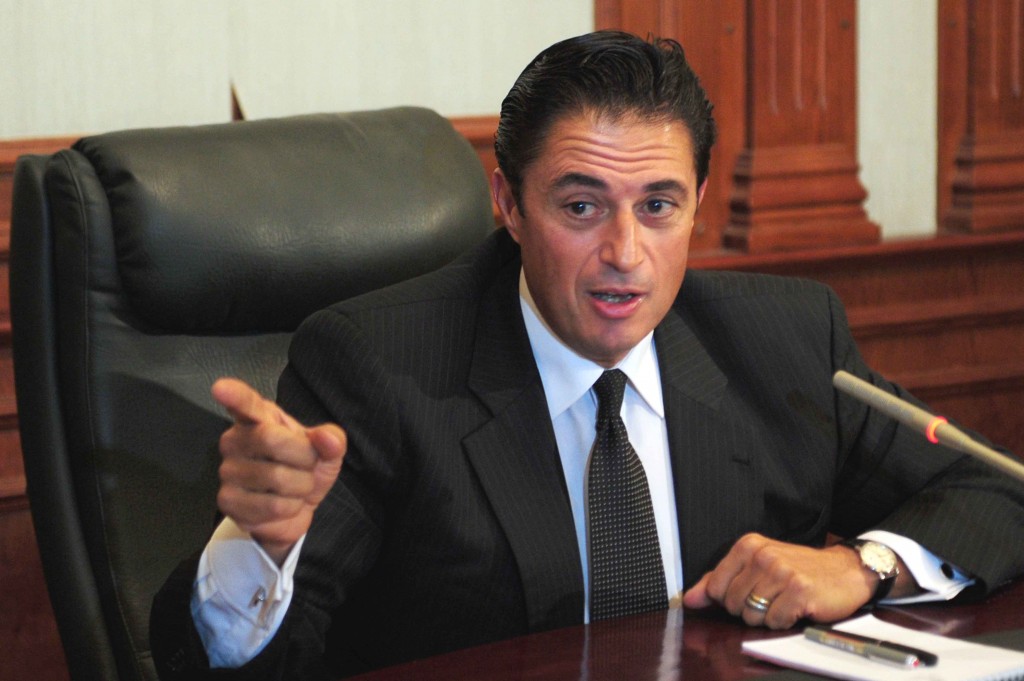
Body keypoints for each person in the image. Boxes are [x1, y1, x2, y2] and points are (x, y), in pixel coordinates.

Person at [151, 30, 1024, 680]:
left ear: (699, 201)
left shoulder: (785, 340)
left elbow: (998, 490)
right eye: (581, 206)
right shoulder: (380, 364)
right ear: (509, 203)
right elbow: (237, 663)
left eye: (658, 206)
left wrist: (862, 566)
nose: (625, 254)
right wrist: (260, 546)